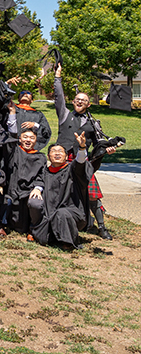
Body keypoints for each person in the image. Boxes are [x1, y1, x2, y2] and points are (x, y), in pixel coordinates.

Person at [54, 64, 119, 240]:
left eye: (83, 100)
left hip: (82, 162)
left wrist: (109, 150)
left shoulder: (94, 123)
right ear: (73, 101)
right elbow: (59, 96)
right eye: (77, 99)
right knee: (60, 193)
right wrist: (57, 76)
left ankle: (102, 228)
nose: (80, 101)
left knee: (91, 194)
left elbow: (100, 144)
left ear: (89, 104)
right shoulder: (64, 114)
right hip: (63, 161)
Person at [27, 133, 93, 249]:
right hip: (49, 213)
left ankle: (67, 242)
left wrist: (82, 148)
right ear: (48, 156)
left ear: (66, 157)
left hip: (71, 213)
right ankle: (38, 232)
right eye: (53, 151)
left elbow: (80, 162)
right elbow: (39, 181)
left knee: (61, 213)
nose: (57, 153)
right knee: (34, 203)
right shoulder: (44, 172)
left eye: (61, 151)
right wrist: (37, 189)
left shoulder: (73, 170)